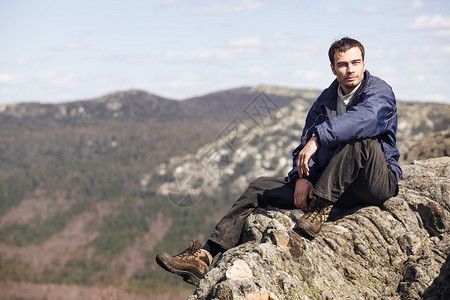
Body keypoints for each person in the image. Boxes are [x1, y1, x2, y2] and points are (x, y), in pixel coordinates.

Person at [155, 37, 402, 286]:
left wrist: (318, 139)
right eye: (343, 64)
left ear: (364, 63)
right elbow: (304, 146)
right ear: (332, 68)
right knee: (259, 187)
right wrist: (302, 178)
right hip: (336, 188)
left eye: (355, 62)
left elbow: (367, 119)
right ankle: (205, 256)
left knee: (360, 141)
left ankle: (319, 209)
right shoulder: (325, 101)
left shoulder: (379, 91)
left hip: (373, 184)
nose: (350, 69)